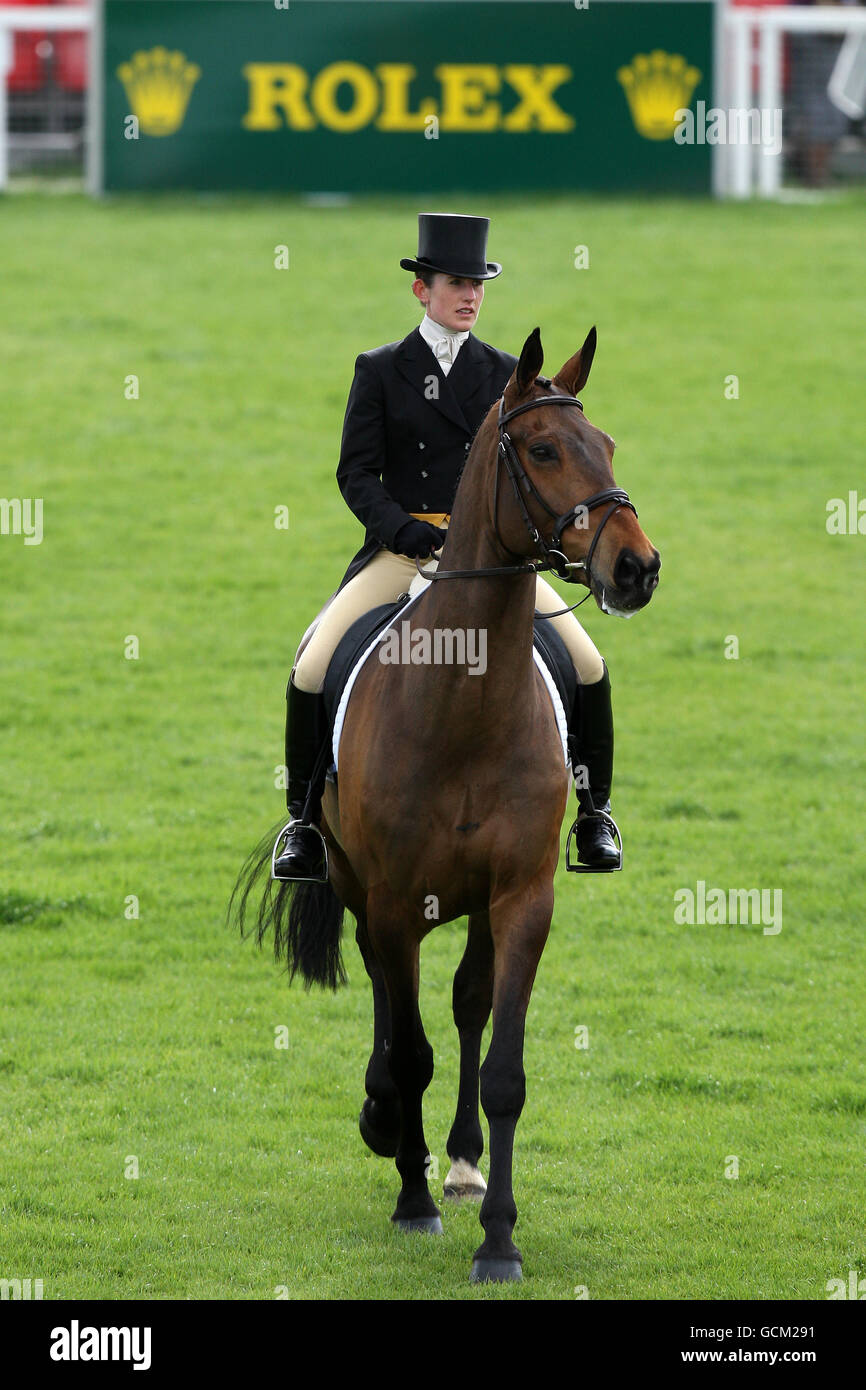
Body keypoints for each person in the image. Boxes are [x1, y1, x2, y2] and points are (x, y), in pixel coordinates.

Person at [273, 212, 621, 881]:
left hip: (488, 559)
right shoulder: (378, 370)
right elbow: (355, 473)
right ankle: (303, 826)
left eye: (478, 284)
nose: (470, 295)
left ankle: (594, 813)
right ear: (421, 291)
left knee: (589, 663)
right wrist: (406, 532)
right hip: (401, 551)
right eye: (456, 282)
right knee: (313, 664)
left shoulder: (507, 376)